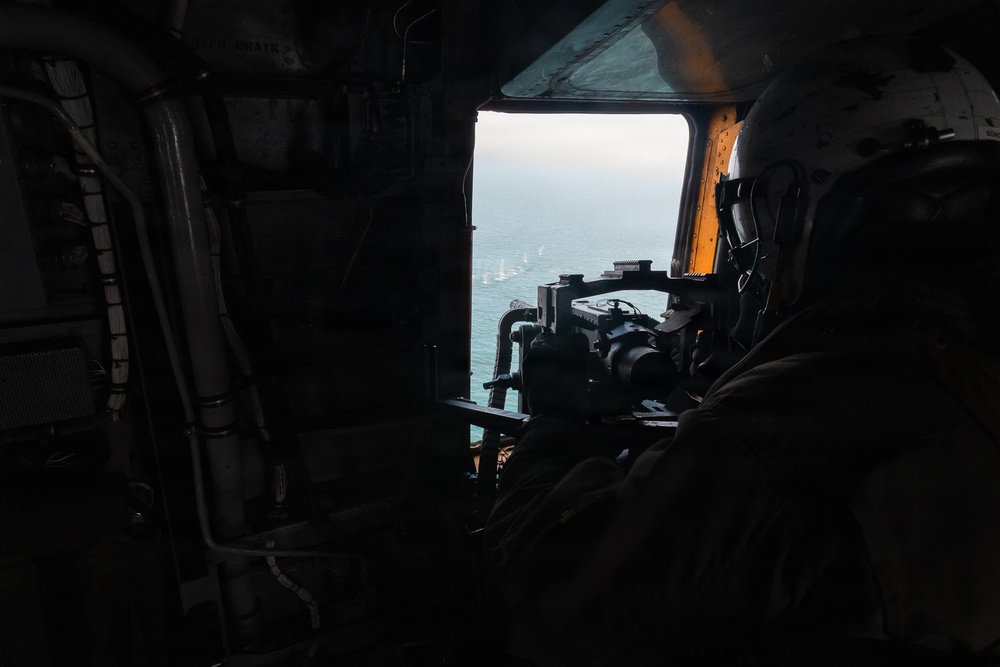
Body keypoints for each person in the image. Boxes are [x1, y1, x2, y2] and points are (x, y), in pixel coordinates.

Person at [485, 37, 1000, 666]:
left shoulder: (789, 424)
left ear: (792, 214)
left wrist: (551, 433)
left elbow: (556, 602)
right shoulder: (961, 366)